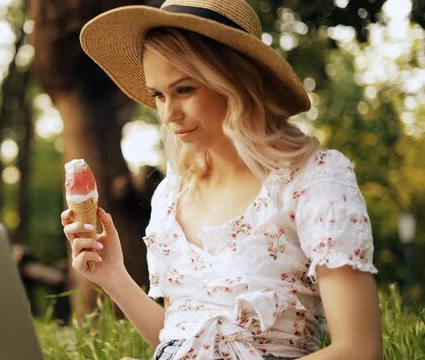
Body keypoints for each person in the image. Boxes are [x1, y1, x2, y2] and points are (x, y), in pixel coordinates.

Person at [60, 0, 383, 359]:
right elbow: (179, 339)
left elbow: (359, 349)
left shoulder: (314, 180)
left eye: (185, 90)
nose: (169, 114)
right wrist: (113, 277)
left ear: (235, 82)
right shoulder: (171, 196)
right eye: (159, 95)